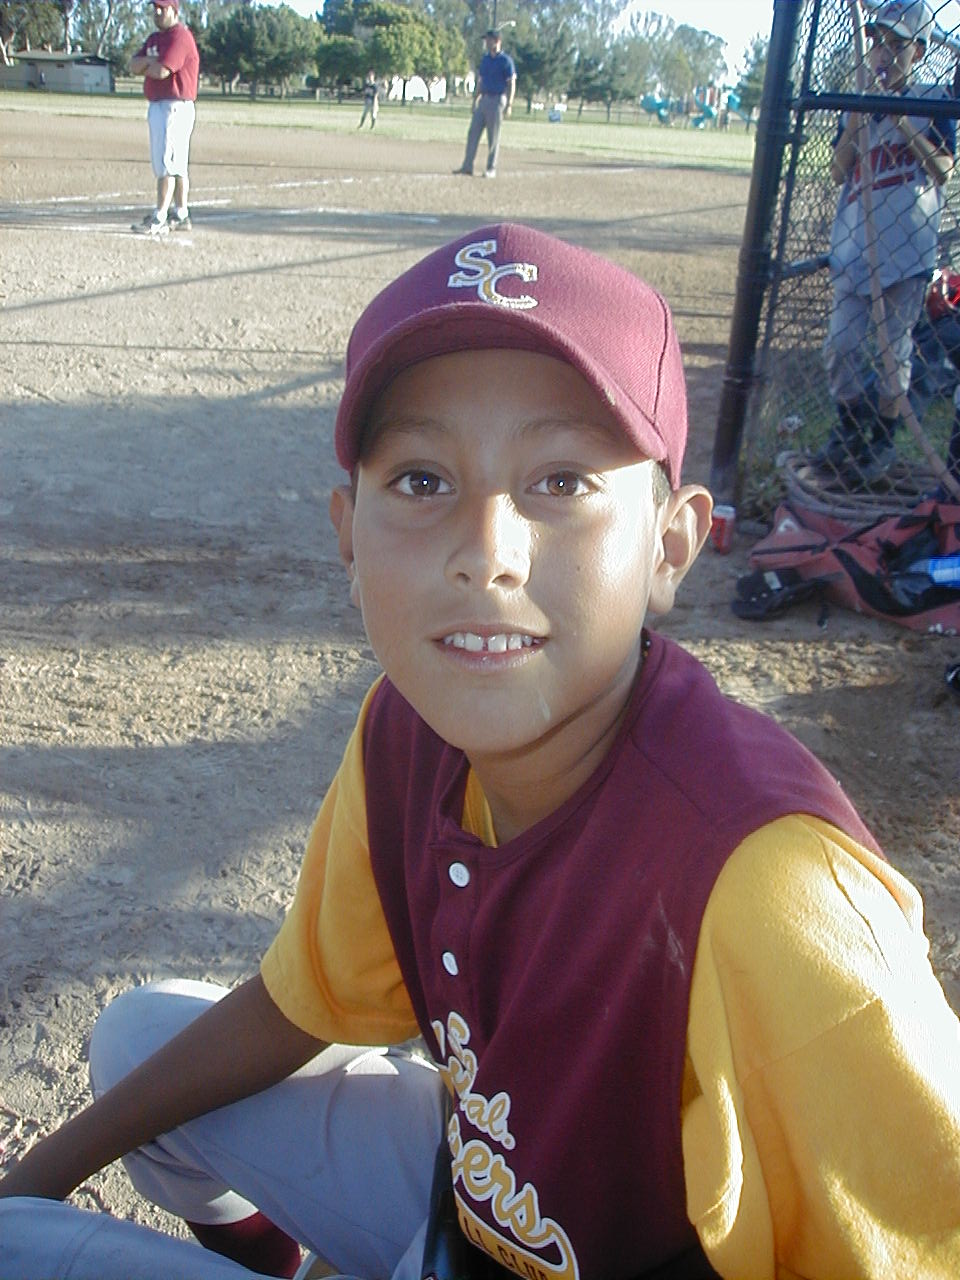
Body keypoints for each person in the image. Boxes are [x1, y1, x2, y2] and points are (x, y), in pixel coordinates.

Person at [3, 223, 960, 1280]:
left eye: (562, 480)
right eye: (422, 480)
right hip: (478, 1202)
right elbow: (297, 1004)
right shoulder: (407, 733)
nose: (485, 552)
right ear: (348, 535)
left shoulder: (771, 887)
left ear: (671, 545)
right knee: (133, 1043)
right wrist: (38, 1171)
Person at [817, 0, 955, 486]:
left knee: (894, 357)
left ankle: (880, 439)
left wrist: (900, 120)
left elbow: (943, 168)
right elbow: (838, 171)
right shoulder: (859, 99)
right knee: (840, 347)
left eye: (898, 45)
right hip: (855, 249)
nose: (884, 54)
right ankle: (851, 427)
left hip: (907, 253)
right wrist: (860, 117)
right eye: (878, 43)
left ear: (918, 52)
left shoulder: (931, 99)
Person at [128, 0, 200, 236]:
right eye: (155, 8)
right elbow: (133, 65)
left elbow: (161, 71)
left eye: (162, 8)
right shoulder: (154, 39)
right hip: (160, 105)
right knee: (175, 164)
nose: (157, 12)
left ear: (174, 10)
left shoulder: (180, 37)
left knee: (167, 164)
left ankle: (159, 217)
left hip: (174, 106)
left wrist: (148, 65)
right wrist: (150, 62)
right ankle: (181, 214)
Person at [453, 29, 515, 178]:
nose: (486, 42)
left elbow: (511, 83)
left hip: (497, 99)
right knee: (473, 133)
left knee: (493, 137)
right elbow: (480, 81)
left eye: (489, 40)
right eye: (486, 40)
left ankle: (491, 168)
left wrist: (509, 104)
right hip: (484, 99)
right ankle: (467, 166)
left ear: (497, 41)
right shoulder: (485, 60)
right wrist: (475, 99)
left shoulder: (505, 61)